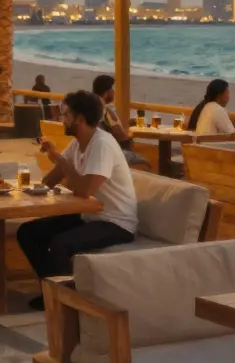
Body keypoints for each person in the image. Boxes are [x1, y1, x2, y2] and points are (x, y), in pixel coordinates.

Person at [18, 91, 138, 310]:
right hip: (90, 217)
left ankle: (67, 304)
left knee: (59, 245)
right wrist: (53, 158)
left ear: (80, 119)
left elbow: (84, 191)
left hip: (116, 222)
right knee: (28, 232)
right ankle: (52, 293)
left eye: (65, 114)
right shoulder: (78, 143)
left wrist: (60, 159)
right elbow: (49, 181)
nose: (61, 119)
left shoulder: (102, 144)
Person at [92, 74, 152, 171]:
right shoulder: (105, 111)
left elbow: (110, 129)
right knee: (145, 163)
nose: (114, 92)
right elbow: (120, 136)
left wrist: (128, 125)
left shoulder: (94, 106)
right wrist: (131, 134)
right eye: (112, 89)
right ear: (106, 92)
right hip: (110, 152)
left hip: (98, 149)